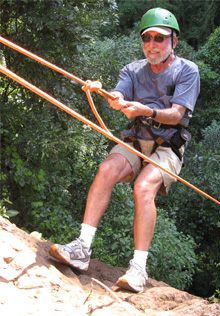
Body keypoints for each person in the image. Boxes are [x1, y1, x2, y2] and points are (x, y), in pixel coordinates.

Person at [49, 7, 200, 293]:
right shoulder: (132, 70)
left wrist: (146, 109)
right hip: (137, 138)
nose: (152, 44)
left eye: (160, 38)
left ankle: (139, 269)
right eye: (147, 38)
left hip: (169, 145)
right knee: (107, 169)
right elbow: (120, 95)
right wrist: (109, 95)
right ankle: (82, 248)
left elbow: (177, 114)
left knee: (144, 188)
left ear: (174, 42)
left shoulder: (187, 70)